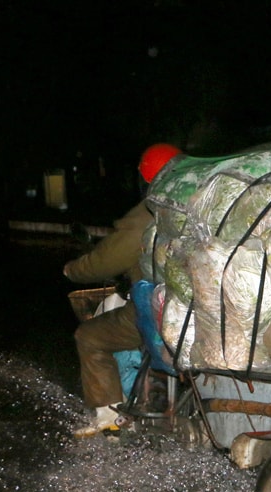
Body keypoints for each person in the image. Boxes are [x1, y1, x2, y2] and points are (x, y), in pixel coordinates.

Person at [64, 143, 182, 437]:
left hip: (161, 309)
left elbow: (106, 260)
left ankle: (109, 416)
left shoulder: (148, 214)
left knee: (89, 336)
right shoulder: (197, 203)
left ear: (145, 181)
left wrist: (72, 270)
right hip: (198, 306)